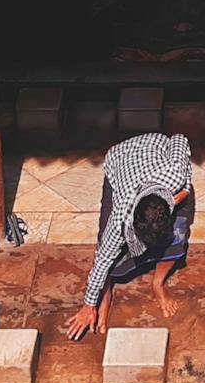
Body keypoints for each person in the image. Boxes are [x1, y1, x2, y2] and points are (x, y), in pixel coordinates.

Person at [65, 131, 196, 340]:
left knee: (177, 238)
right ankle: (105, 295)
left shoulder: (175, 175)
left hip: (155, 147)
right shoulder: (121, 218)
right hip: (119, 160)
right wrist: (88, 305)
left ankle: (157, 283)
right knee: (107, 247)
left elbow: (179, 138)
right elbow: (102, 261)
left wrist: (185, 190)